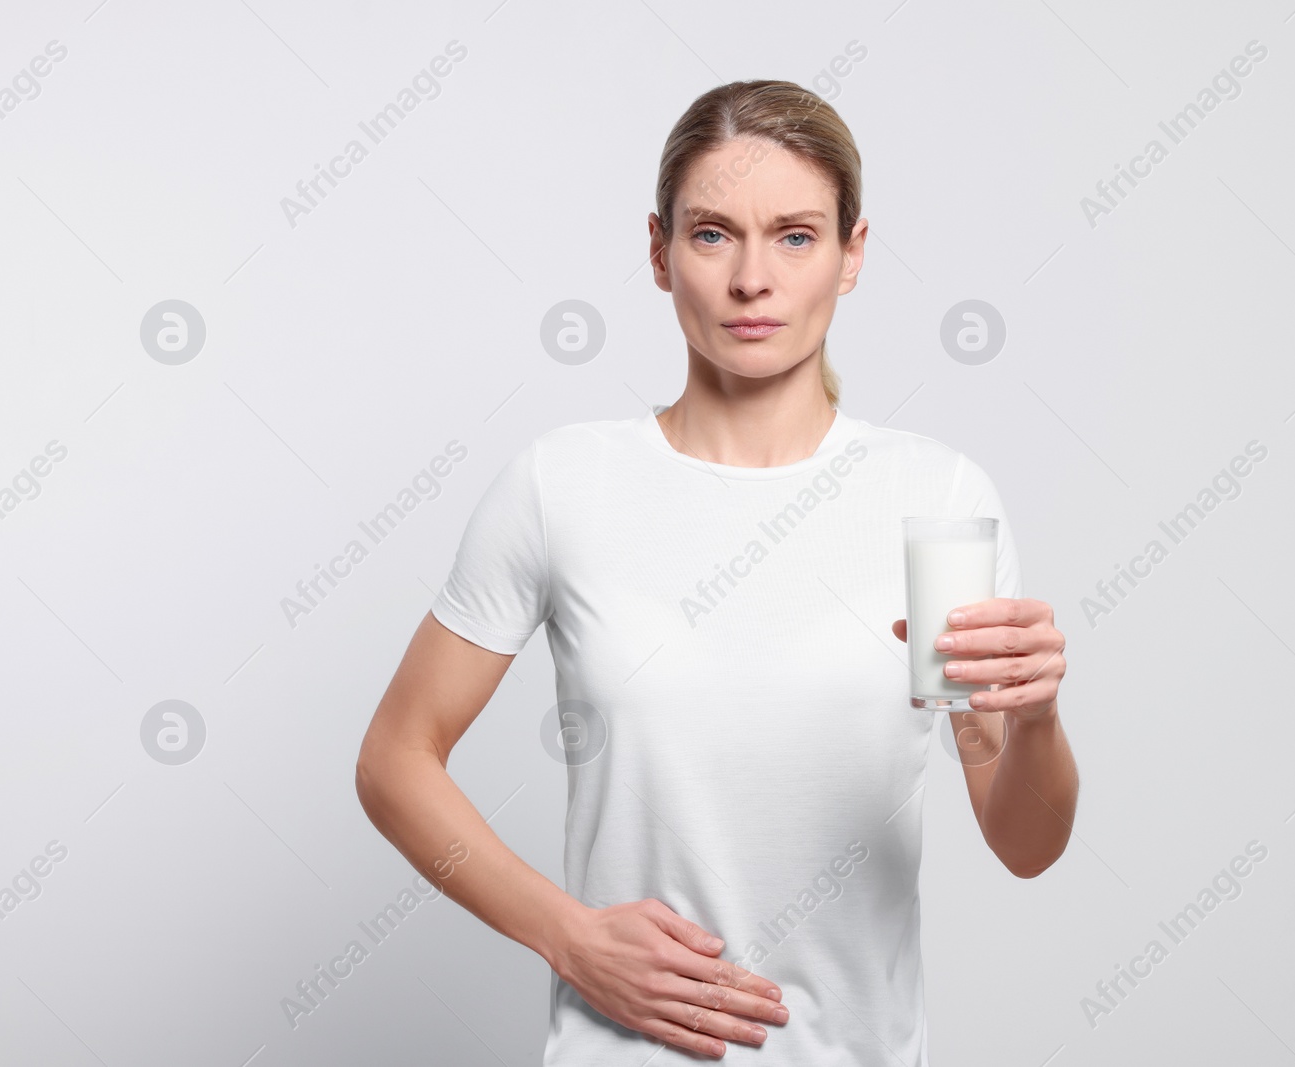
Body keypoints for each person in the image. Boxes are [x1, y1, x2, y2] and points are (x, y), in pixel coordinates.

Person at [355, 79, 1078, 1064]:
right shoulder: (563, 482)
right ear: (658, 251)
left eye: (793, 235)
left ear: (851, 253)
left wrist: (1033, 717)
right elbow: (395, 757)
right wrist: (566, 933)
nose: (751, 278)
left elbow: (1024, 841)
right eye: (710, 234)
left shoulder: (934, 495)